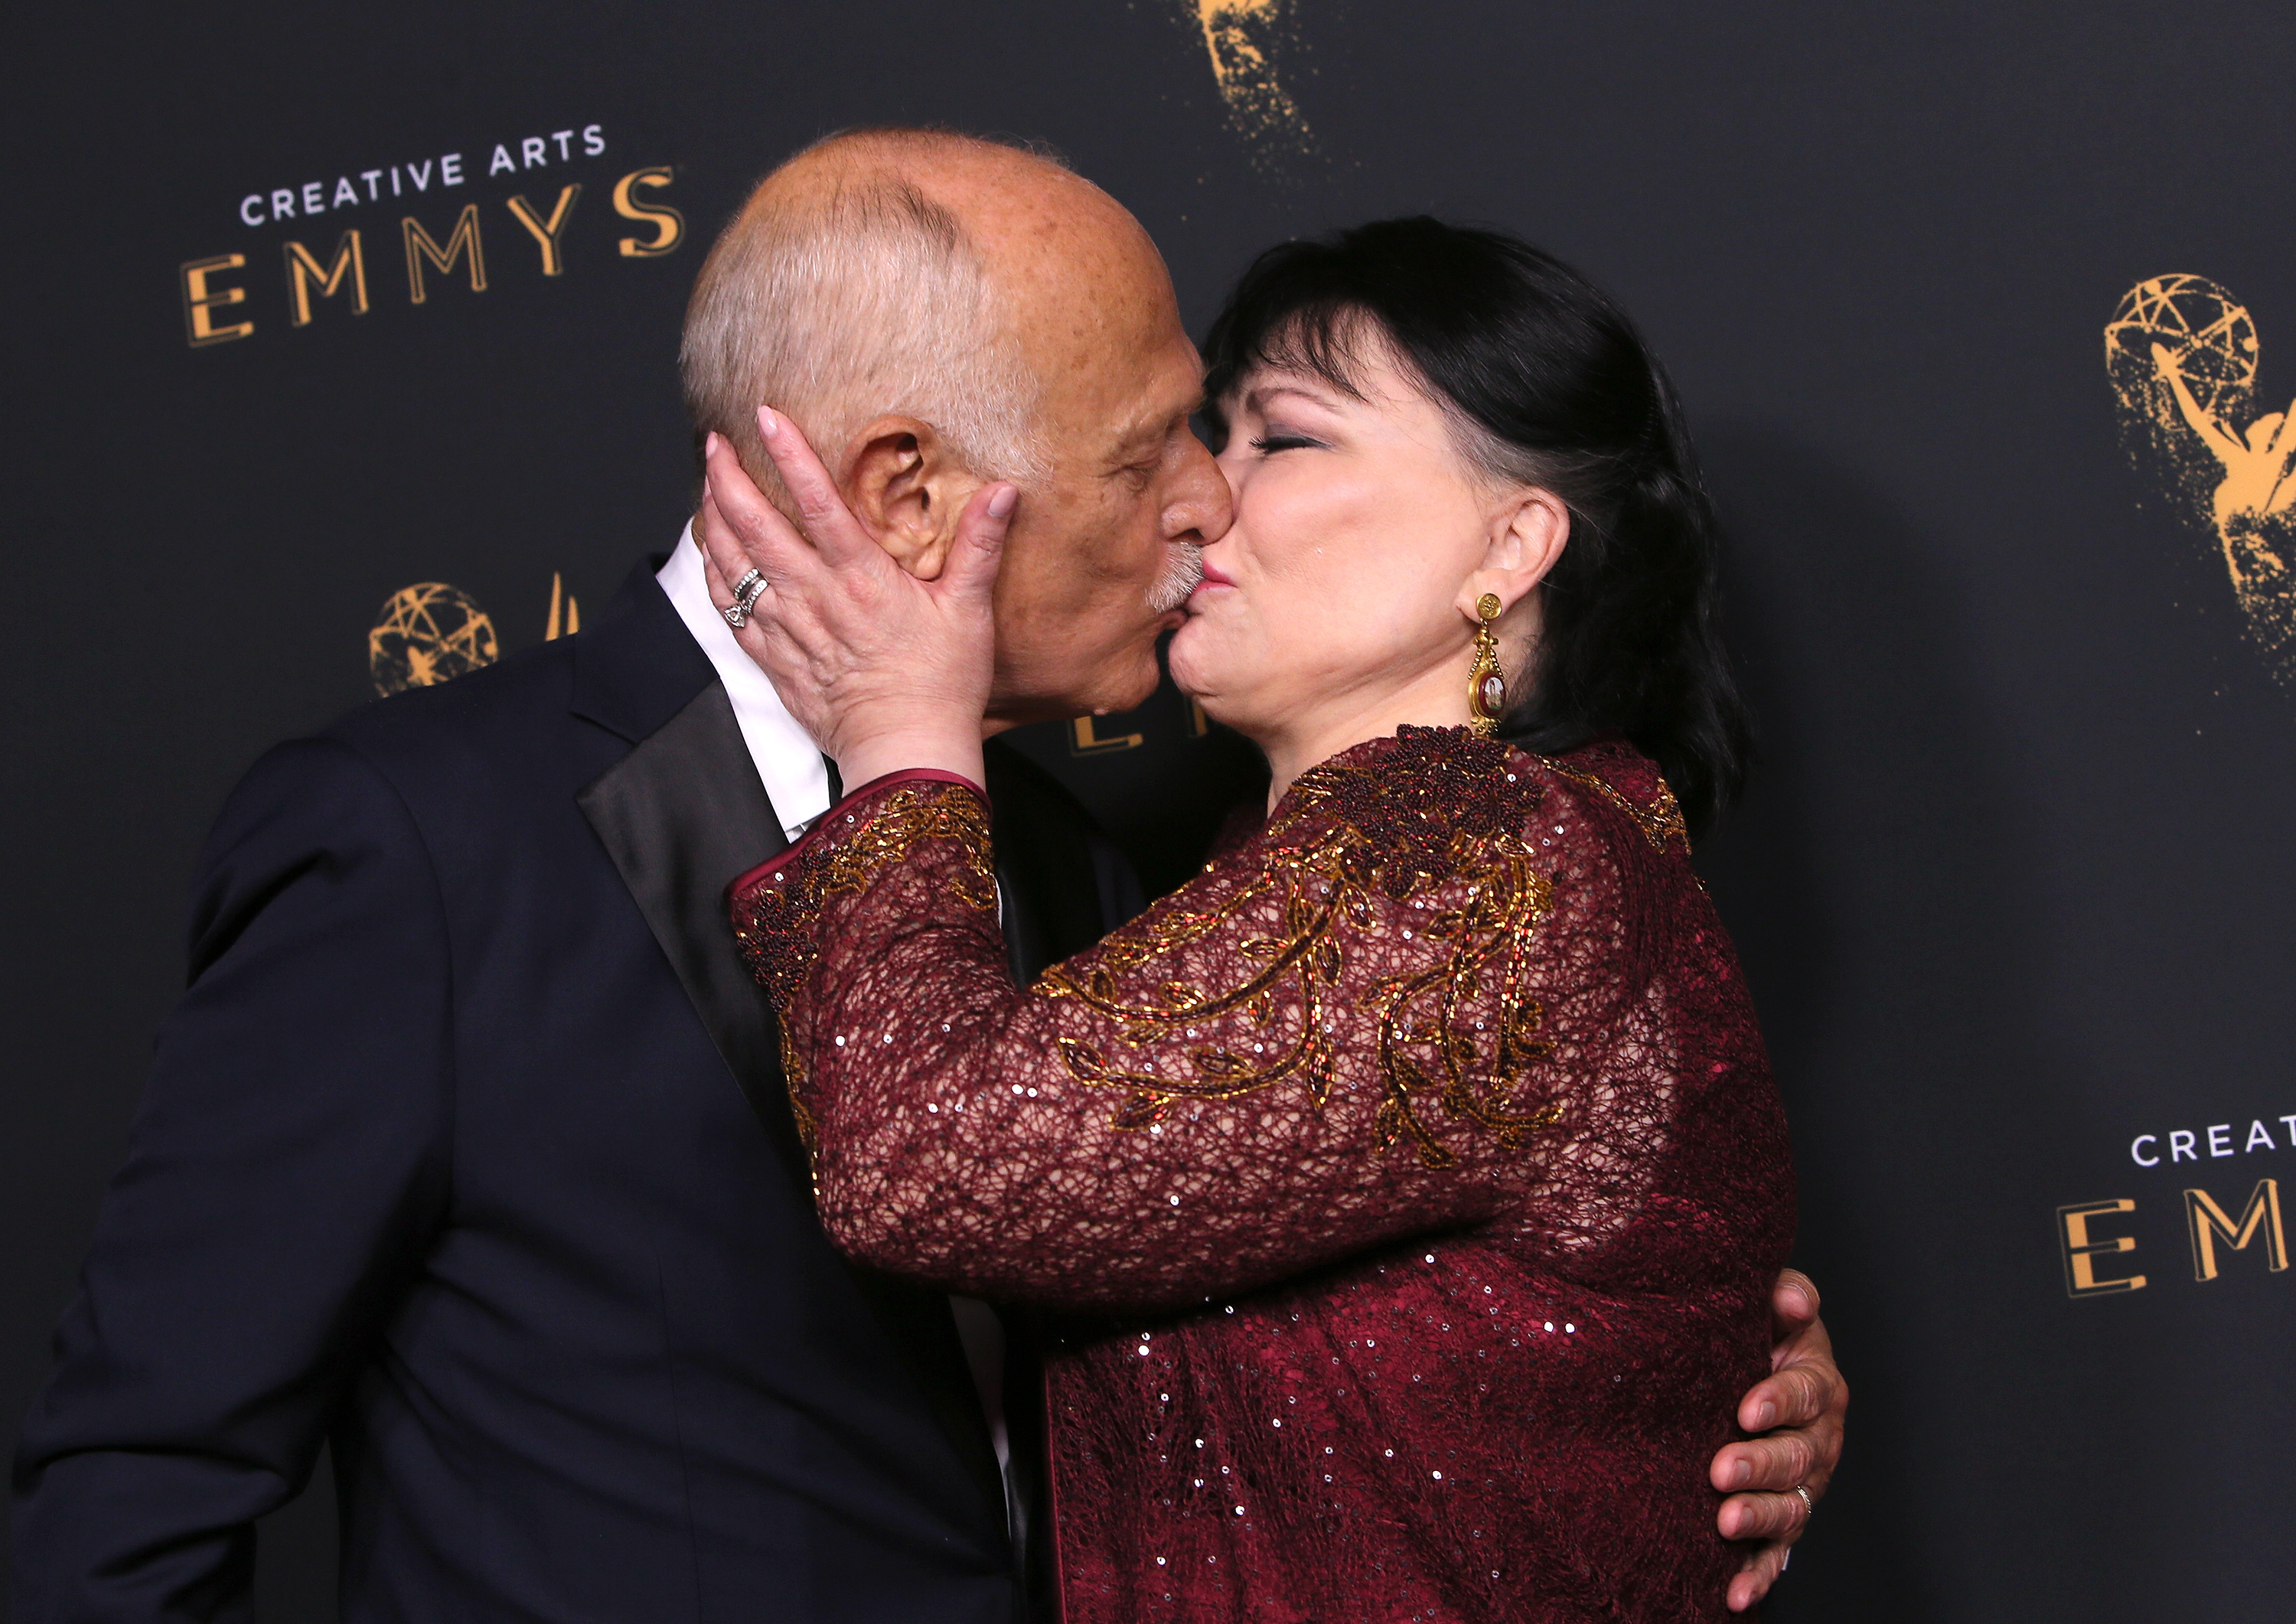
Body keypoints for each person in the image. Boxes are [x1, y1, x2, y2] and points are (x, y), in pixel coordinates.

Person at [11, 132, 1837, 1622]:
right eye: (1160, 453)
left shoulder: (1089, 855)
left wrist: (1669, 1378)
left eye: (1253, 436)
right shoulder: (420, 840)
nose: (1200, 505)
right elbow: (135, 1489)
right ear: (903, 491)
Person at [693, 215, 1802, 1622]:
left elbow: (926, 1158)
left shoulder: (1472, 864)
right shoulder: (1320, 870)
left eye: (1286, 438)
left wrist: (901, 732)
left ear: (1511, 544)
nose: (1205, 491)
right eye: (1212, 431)